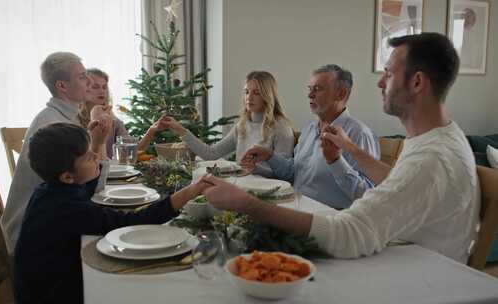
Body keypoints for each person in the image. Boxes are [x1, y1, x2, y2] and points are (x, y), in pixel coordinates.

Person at [199, 33, 480, 263]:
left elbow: (349, 233)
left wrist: (245, 203)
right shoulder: (434, 140)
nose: (380, 82)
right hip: (397, 256)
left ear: (417, 82)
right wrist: (346, 151)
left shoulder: (432, 158)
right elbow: (397, 181)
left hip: (412, 277)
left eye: (389, 73)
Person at [13, 123, 206, 303]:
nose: (96, 157)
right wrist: (188, 193)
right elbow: (131, 222)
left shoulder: (50, 191)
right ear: (67, 176)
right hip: (52, 294)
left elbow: (85, 188)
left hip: (37, 284)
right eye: (89, 157)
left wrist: (96, 143)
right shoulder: (68, 209)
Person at [1, 52, 112, 253]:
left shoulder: (63, 117)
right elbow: (94, 186)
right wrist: (99, 142)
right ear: (62, 86)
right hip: (34, 238)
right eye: (82, 76)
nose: (89, 80)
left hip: (47, 221)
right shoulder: (57, 126)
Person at [242, 65, 379, 209]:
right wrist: (269, 156)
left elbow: (368, 195)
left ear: (341, 94)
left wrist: (335, 161)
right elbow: (294, 173)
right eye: (310, 89)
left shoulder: (360, 134)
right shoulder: (309, 129)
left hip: (331, 221)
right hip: (294, 210)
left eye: (318, 89)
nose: (310, 95)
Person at [160, 71, 294, 177]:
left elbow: (285, 175)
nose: (249, 97)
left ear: (267, 95)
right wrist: (179, 129)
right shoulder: (242, 125)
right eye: (247, 92)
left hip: (268, 193)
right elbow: (211, 153)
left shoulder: (281, 128)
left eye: (256, 93)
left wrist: (256, 169)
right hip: (242, 186)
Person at [78, 68, 163, 158]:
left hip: (109, 171)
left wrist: (151, 131)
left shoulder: (114, 121)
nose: (102, 91)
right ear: (83, 89)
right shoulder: (74, 119)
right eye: (95, 87)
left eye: (104, 87)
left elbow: (132, 151)